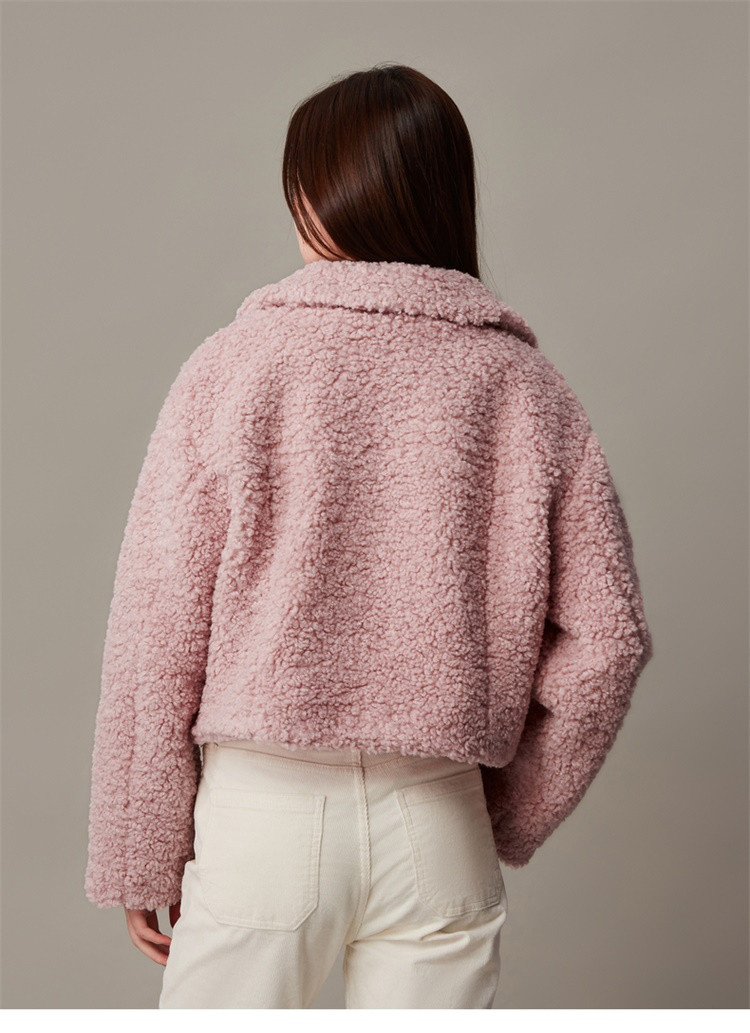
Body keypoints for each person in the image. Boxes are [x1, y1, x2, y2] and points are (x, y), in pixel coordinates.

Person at [84, 63, 653, 1009]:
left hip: (261, 820)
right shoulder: (523, 387)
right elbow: (609, 640)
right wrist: (503, 810)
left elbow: (157, 624)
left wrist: (140, 848)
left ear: (318, 195)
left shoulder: (233, 368)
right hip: (438, 815)